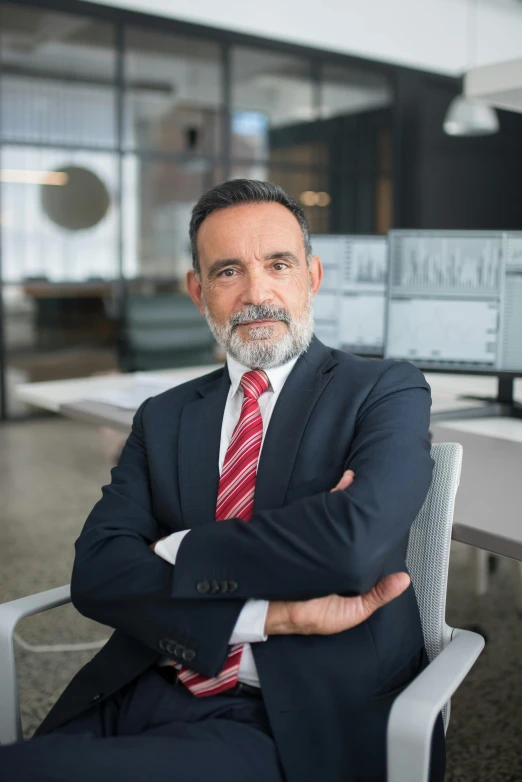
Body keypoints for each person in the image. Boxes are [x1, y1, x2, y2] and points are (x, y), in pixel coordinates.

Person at [0, 179, 445, 782]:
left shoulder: (381, 390)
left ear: (311, 276)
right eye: (229, 271)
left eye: (278, 264)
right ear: (198, 290)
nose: (257, 292)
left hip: (284, 719)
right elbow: (98, 572)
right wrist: (273, 614)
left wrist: (178, 548)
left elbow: (352, 544)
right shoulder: (165, 415)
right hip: (141, 686)